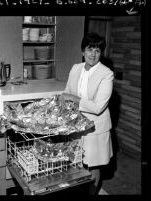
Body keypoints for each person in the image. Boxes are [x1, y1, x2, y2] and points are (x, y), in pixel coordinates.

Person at [60, 32, 114, 194]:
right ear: (83, 51)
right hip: (76, 125)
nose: (93, 54)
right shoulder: (76, 68)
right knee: (76, 164)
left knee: (93, 168)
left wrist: (74, 98)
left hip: (95, 129)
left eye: (97, 51)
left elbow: (98, 107)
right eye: (90, 49)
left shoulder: (106, 74)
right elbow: (67, 92)